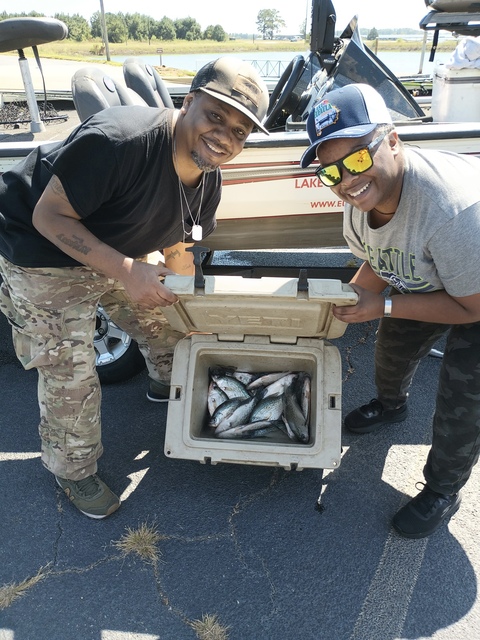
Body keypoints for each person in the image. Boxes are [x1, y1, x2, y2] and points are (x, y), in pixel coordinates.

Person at [0, 57, 269, 519]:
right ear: (189, 103)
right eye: (216, 116)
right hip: (41, 249)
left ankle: (169, 384)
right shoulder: (119, 141)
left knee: (164, 318)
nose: (225, 136)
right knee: (71, 369)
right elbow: (49, 217)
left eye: (240, 131)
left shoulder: (209, 179)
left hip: (114, 247)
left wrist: (186, 303)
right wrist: (127, 272)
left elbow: (184, 241)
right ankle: (74, 470)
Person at [300, 83, 480, 539]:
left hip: (476, 288)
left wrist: (381, 305)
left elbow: (469, 307)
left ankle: (442, 489)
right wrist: (341, 309)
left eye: (358, 158)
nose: (346, 180)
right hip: (437, 272)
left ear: (393, 139)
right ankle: (390, 405)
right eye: (331, 172)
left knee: (465, 399)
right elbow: (379, 261)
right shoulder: (357, 201)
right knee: (392, 350)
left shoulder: (451, 208)